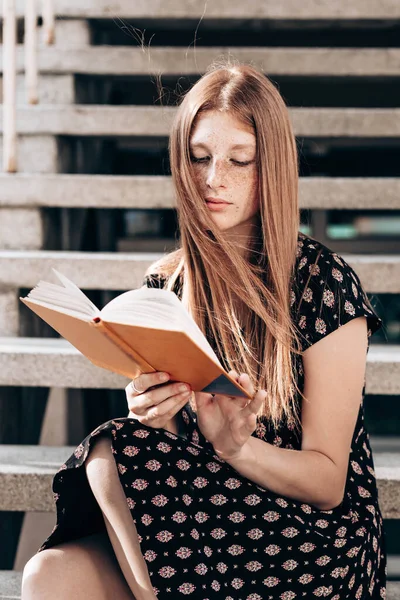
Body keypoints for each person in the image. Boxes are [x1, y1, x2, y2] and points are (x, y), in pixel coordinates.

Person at [22, 61, 386, 600]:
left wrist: (236, 448)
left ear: (274, 168)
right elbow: (166, 468)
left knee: (110, 450)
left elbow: (329, 485)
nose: (213, 178)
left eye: (240, 160)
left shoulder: (322, 282)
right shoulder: (165, 285)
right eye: (198, 158)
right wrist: (155, 415)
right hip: (201, 523)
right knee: (48, 573)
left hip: (311, 537)